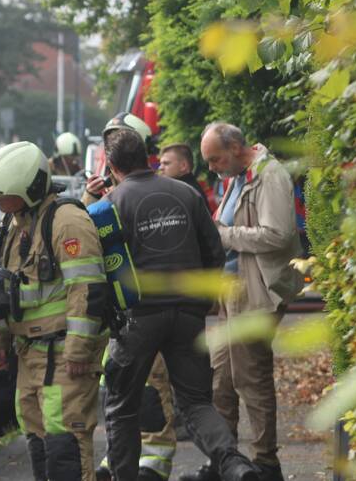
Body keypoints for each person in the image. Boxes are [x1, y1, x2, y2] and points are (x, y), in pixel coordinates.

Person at [101, 129, 260, 481]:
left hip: (138, 320)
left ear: (112, 167)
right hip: (187, 315)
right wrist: (200, 301)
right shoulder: (186, 193)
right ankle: (235, 466)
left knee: (122, 407)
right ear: (148, 157)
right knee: (196, 402)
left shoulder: (110, 205)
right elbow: (214, 251)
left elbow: (106, 270)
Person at [0, 141, 109, 481]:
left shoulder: (67, 221)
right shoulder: (14, 223)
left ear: (27, 188)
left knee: (66, 445)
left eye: (2, 193)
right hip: (30, 356)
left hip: (64, 355)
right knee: (38, 442)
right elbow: (3, 289)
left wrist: (79, 350)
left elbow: (88, 289)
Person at [182, 124, 303, 481]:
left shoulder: (270, 176)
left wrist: (224, 235)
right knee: (220, 377)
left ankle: (266, 464)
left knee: (251, 377)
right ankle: (226, 460)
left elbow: (278, 235)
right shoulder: (240, 175)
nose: (213, 167)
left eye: (215, 158)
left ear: (236, 147)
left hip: (256, 291)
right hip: (234, 289)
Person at [85, 113, 178, 481]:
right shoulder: (105, 195)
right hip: (120, 315)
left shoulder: (155, 192)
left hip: (147, 309)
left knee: (153, 390)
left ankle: (154, 462)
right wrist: (90, 200)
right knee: (116, 390)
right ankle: (117, 456)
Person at [159, 143, 212, 208]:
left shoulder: (183, 192)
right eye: (161, 164)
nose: (160, 168)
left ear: (183, 166)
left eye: (166, 163)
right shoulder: (189, 189)